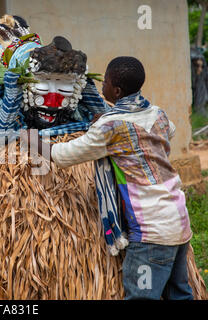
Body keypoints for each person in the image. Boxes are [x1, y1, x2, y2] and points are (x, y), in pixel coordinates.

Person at [30, 56, 193, 300]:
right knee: (180, 295)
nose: (102, 85)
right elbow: (170, 129)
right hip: (178, 220)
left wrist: (32, 142)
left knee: (142, 296)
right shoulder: (157, 113)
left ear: (115, 90)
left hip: (151, 233)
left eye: (105, 81)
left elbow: (66, 154)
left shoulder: (111, 126)